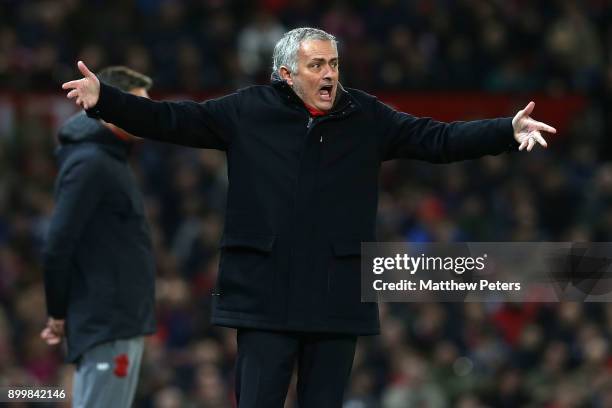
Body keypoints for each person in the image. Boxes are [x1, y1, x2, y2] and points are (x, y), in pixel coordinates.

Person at [61, 28, 556, 408]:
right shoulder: (246, 111)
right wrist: (107, 99)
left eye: (334, 64)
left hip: (334, 298)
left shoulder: (367, 116)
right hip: (263, 299)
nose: (329, 74)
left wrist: (504, 130)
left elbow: (439, 139)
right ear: (286, 73)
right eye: (316, 65)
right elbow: (169, 119)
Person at [42, 66, 156, 408]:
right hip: (107, 321)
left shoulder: (108, 159)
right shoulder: (91, 162)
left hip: (117, 320)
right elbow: (58, 244)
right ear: (109, 105)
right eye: (138, 105)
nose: (146, 115)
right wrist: (57, 312)